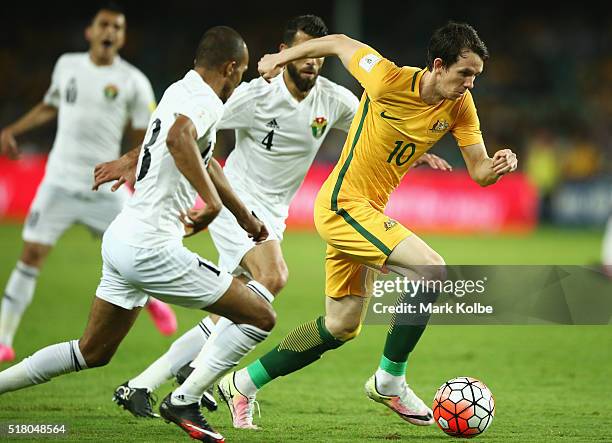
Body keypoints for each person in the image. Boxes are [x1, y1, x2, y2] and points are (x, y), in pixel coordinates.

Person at [93, 15, 451, 422]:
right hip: (238, 204)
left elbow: (378, 127)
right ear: (285, 54)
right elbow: (183, 128)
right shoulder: (254, 95)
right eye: (304, 53)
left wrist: (415, 150)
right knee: (273, 277)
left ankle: (142, 384)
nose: (312, 63)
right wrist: (130, 158)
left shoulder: (333, 100)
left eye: (318, 56)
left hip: (274, 215)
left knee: (237, 307)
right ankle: (195, 379)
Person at [216, 21, 518, 429]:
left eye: (476, 76)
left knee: (340, 326)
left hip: (365, 215)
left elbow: (479, 172)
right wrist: (279, 57)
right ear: (439, 65)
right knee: (431, 269)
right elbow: (339, 43)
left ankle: (243, 382)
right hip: (343, 205)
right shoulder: (387, 78)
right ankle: (390, 381)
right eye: (465, 73)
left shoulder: (460, 106)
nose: (470, 84)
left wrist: (499, 165)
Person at [0, 26, 277, 443]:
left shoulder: (179, 88)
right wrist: (212, 205)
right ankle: (185, 399)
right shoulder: (204, 101)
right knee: (260, 316)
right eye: (239, 73)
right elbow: (179, 137)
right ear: (231, 67)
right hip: (153, 249)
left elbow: (203, 158)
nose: (239, 81)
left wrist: (245, 218)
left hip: (123, 238)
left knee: (91, 351)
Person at [0, 4, 176, 364]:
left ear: (123, 37)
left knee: (139, 249)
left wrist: (129, 165)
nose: (110, 31)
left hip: (104, 185)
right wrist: (14, 130)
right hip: (58, 182)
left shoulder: (133, 81)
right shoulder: (67, 66)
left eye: (117, 27)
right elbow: (51, 105)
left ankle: (155, 301)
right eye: (104, 25)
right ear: (90, 32)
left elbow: (148, 134)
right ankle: (3, 338)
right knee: (31, 255)